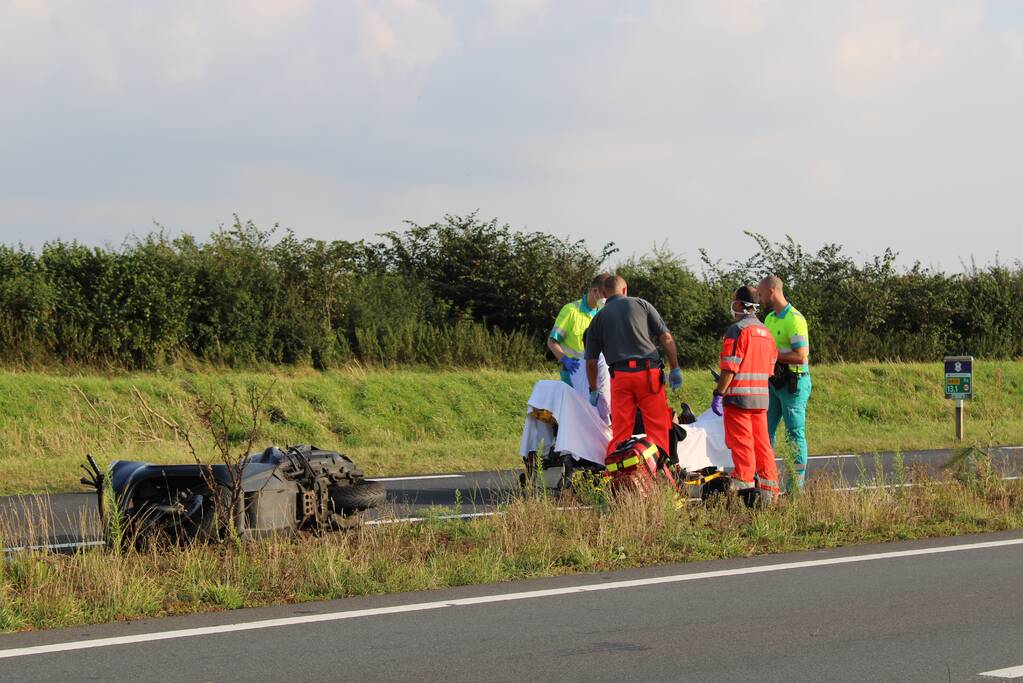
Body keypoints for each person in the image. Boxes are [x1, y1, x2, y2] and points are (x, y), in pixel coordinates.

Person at [584, 275, 683, 458]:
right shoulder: (642, 304)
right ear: (625, 290)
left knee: (621, 430)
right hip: (649, 374)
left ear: (604, 293)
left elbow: (591, 362)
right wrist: (674, 367)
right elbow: (666, 337)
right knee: (657, 426)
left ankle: (618, 469)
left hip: (620, 377)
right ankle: (658, 468)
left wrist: (593, 389)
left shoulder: (597, 319)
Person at [711, 285, 779, 504]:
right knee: (762, 445)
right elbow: (770, 368)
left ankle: (744, 489)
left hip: (738, 400)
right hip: (761, 400)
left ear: (740, 304)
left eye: (734, 301)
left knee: (742, 444)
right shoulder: (767, 333)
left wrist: (719, 393)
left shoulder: (737, 330)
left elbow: (730, 367)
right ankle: (770, 490)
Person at [757, 275, 812, 490]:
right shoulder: (770, 318)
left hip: (793, 384)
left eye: (761, 294)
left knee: (794, 435)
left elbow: (801, 356)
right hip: (774, 383)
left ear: (772, 291)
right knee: (764, 432)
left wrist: (772, 355)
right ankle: (766, 484)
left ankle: (794, 489)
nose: (759, 298)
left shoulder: (795, 319)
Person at [548, 273, 609, 386]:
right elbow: (552, 342)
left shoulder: (603, 313)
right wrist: (565, 360)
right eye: (605, 295)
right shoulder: (570, 310)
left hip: (595, 374)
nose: (606, 299)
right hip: (572, 372)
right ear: (595, 291)